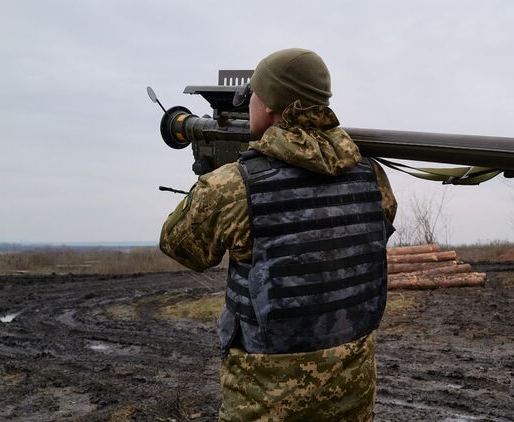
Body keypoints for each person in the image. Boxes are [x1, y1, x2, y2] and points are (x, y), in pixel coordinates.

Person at [160, 48, 397, 421]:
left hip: (264, 403)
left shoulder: (231, 186)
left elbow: (179, 246)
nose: (249, 102)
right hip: (353, 394)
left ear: (270, 105)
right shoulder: (373, 175)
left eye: (253, 94)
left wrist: (215, 179)